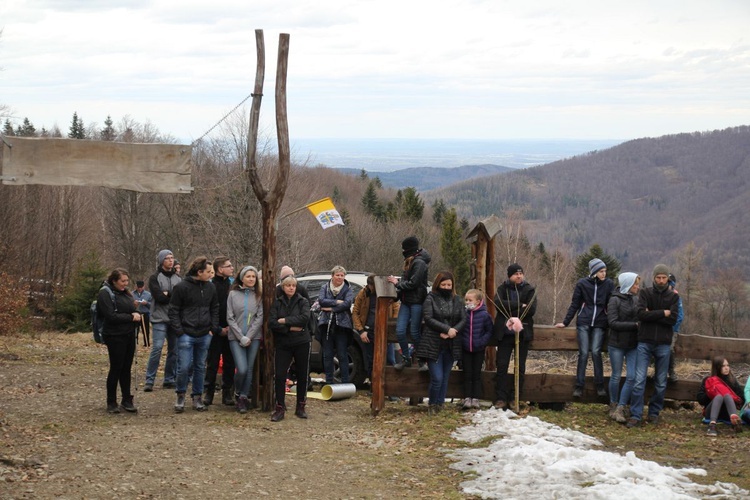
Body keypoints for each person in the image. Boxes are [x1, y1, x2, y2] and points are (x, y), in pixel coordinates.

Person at [626, 264, 680, 428]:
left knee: (661, 381)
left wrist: (652, 314)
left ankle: (654, 413)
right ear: (654, 278)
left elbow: (673, 319)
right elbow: (641, 314)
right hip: (645, 341)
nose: (662, 281)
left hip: (663, 343)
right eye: (659, 277)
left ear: (667, 279)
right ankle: (636, 414)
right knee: (638, 380)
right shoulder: (645, 293)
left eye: (664, 278)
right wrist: (663, 312)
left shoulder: (673, 297)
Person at [168, 256, 220, 413]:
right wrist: (179, 330)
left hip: (205, 333)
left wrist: (213, 328)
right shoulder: (181, 287)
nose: (211, 275)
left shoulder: (211, 288)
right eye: (208, 272)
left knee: (199, 366)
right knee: (183, 366)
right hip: (186, 333)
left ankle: (197, 396)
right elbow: (173, 310)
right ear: (199, 272)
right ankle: (181, 394)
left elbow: (215, 308)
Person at [555, 258, 614, 398]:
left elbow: (611, 304)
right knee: (583, 353)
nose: (604, 274)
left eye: (605, 271)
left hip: (600, 322)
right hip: (584, 322)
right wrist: (565, 322)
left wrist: (611, 322)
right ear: (594, 271)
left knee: (595, 352)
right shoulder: (582, 283)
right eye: (601, 271)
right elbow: (575, 303)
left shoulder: (609, 284)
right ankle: (579, 386)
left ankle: (599, 385)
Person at [416, 271, 466, 415]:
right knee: (436, 377)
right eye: (443, 284)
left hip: (451, 343)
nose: (446, 287)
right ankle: (432, 403)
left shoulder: (457, 300)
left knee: (445, 377)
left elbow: (463, 318)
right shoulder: (430, 298)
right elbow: (428, 318)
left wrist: (453, 330)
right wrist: (446, 329)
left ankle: (440, 403)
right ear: (438, 284)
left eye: (449, 284)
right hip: (433, 343)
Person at [493, 264, 537, 410]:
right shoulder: (502, 288)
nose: (519, 276)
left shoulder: (529, 289)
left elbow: (531, 309)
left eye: (521, 273)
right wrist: (519, 305)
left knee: (520, 367)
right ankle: (501, 397)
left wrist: (511, 308)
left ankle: (515, 397)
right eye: (515, 274)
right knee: (502, 365)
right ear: (509, 275)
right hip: (504, 335)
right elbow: (498, 304)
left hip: (522, 334)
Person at [98, 268, 141, 414]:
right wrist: (130, 317)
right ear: (114, 281)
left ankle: (127, 399)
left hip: (129, 334)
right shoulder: (105, 293)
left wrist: (136, 313)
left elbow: (129, 310)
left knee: (126, 368)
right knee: (116, 367)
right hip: (114, 336)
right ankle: (111, 401)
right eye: (122, 281)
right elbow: (110, 316)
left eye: (127, 281)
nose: (125, 284)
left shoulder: (125, 293)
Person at [269, 275, 312, 422]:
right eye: (288, 285)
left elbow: (304, 318)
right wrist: (289, 328)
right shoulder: (277, 303)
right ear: (283, 287)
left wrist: (285, 321)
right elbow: (273, 323)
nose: (291, 288)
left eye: (293, 285)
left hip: (301, 342)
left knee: (302, 374)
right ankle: (280, 407)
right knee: (280, 375)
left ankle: (301, 406)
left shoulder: (303, 301)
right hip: (283, 343)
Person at [388, 236, 431, 372]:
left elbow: (414, 283)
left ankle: (421, 359)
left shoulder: (419, 263)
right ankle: (406, 358)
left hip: (417, 302)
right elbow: (406, 285)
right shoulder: (410, 262)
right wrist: (396, 296)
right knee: (400, 331)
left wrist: (397, 283)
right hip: (406, 302)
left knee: (414, 332)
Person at [227, 265, 263, 414]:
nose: (251, 279)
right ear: (242, 278)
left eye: (253, 276)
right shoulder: (233, 294)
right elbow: (230, 317)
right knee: (241, 368)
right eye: (248, 276)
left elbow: (259, 317)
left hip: (253, 337)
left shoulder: (258, 295)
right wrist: (240, 337)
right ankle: (237, 390)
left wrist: (249, 336)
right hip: (235, 337)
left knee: (249, 368)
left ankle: (243, 397)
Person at [144, 249, 181, 392]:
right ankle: (149, 380)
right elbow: (159, 297)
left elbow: (179, 298)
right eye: (167, 258)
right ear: (161, 261)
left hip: (174, 318)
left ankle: (169, 379)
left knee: (174, 350)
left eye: (172, 257)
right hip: (159, 318)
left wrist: (169, 294)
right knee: (157, 348)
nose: (170, 260)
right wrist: (171, 295)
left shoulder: (178, 279)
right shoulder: (154, 277)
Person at [352, 274, 400, 382]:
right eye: (372, 286)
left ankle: (391, 388)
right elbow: (355, 312)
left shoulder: (388, 293)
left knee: (390, 359)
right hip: (368, 331)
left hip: (386, 331)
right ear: (369, 285)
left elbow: (396, 309)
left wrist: (391, 327)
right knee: (371, 360)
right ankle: (373, 386)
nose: (374, 288)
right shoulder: (363, 293)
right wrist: (361, 330)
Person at [607, 272, 641, 423]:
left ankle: (621, 407)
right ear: (628, 284)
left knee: (632, 376)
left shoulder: (636, 300)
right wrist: (634, 325)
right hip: (617, 344)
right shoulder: (614, 300)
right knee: (616, 375)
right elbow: (613, 322)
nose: (637, 287)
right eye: (635, 284)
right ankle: (613, 405)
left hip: (633, 344)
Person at [203, 256, 236, 407]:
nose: (232, 268)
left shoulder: (233, 285)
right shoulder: (210, 286)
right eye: (228, 266)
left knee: (229, 362)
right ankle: (208, 392)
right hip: (215, 330)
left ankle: (227, 393)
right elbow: (208, 309)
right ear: (220, 269)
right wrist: (217, 329)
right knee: (212, 362)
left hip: (231, 329)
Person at [318, 266, 355, 384]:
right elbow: (321, 301)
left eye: (342, 275)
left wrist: (330, 309)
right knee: (327, 355)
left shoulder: (348, 289)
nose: (339, 277)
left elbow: (347, 304)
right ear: (332, 275)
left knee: (342, 354)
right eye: (337, 275)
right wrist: (336, 302)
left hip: (342, 326)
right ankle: (329, 382)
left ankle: (345, 382)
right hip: (326, 325)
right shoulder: (325, 287)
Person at [460, 289, 493, 409]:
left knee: (477, 374)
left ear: (478, 301)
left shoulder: (484, 315)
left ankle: (476, 397)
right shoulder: (464, 313)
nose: (468, 302)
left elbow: (489, 331)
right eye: (466, 300)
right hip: (466, 348)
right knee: (467, 373)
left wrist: (482, 342)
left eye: (470, 300)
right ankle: (467, 397)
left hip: (478, 348)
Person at [697, 357, 744, 436]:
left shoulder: (732, 380)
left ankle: (735, 423)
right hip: (711, 412)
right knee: (719, 397)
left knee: (727, 396)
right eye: (723, 366)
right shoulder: (708, 380)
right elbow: (700, 400)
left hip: (727, 413)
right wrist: (710, 393)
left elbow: (741, 398)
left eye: (727, 365)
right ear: (717, 367)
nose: (726, 368)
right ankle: (712, 426)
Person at [667, 273, 684, 383]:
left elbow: (680, 316)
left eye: (669, 283)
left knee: (669, 349)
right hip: (659, 328)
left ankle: (671, 370)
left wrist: (672, 327)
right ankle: (658, 370)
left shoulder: (676, 298)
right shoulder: (658, 295)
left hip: (672, 328)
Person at [133, 280, 152, 346]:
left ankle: (146, 343)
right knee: (135, 329)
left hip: (145, 313)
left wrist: (146, 303)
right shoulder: (132, 294)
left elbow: (152, 305)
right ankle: (135, 343)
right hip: (136, 314)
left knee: (146, 330)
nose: (140, 289)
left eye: (141, 287)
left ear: (143, 286)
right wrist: (133, 304)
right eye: (138, 287)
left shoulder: (148, 294)